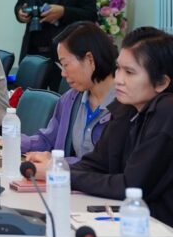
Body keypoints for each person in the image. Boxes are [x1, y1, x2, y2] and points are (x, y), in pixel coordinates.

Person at [66, 27, 173, 230]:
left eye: (129, 72)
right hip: (139, 220)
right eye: (118, 68)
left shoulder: (170, 115)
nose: (118, 79)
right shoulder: (128, 105)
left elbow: (131, 187)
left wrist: (67, 176)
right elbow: (98, 163)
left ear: (161, 82)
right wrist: (56, 171)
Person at [7, 22, 117, 173]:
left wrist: (59, 162)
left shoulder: (124, 105)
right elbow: (48, 140)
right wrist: (10, 141)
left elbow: (107, 165)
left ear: (89, 59)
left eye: (66, 65)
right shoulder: (70, 99)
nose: (63, 74)